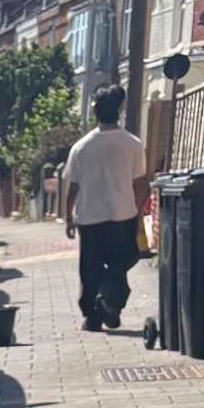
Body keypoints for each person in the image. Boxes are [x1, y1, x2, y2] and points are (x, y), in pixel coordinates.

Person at [62, 86, 148, 332]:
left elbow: (73, 187)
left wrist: (69, 217)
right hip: (123, 214)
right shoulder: (133, 144)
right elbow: (140, 182)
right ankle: (111, 300)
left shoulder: (81, 147)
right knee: (123, 261)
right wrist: (139, 210)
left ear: (95, 112)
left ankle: (92, 316)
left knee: (91, 267)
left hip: (89, 218)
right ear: (119, 111)